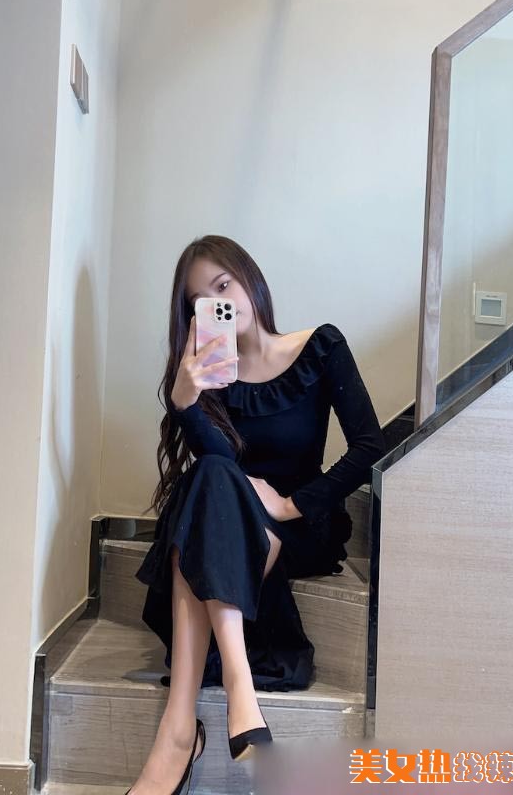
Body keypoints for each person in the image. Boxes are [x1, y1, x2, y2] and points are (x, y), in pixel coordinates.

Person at [126, 235, 386, 795]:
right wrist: (185, 404)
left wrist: (291, 503)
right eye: (202, 300)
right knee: (211, 477)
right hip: (231, 529)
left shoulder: (320, 348)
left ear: (250, 278)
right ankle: (230, 696)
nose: (219, 303)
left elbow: (370, 446)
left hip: (297, 530)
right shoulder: (207, 376)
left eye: (224, 285)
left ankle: (180, 732)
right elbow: (221, 467)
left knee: (206, 507)